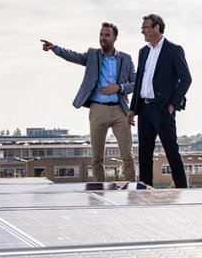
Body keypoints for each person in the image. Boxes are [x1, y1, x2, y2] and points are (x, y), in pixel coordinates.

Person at [40, 23, 137, 182]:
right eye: (101, 35)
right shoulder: (93, 55)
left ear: (115, 38)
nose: (103, 38)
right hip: (98, 110)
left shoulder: (125, 59)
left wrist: (119, 87)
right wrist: (55, 48)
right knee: (97, 157)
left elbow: (135, 83)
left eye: (106, 35)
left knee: (127, 155)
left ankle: (133, 193)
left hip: (120, 110)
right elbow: (74, 56)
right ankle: (100, 193)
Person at [127, 14, 192, 188]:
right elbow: (140, 81)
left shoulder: (173, 49)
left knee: (172, 152)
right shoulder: (144, 51)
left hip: (163, 109)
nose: (142, 31)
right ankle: (144, 191)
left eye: (145, 27)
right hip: (145, 109)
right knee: (144, 154)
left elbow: (186, 79)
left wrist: (173, 104)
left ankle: (182, 190)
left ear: (157, 28)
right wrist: (133, 108)